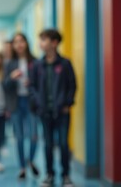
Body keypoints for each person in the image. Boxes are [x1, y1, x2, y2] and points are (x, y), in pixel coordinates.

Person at [30, 29, 76, 187]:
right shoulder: (38, 65)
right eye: (40, 40)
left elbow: (72, 86)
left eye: (44, 40)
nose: (40, 43)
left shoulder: (65, 64)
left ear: (54, 43)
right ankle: (49, 174)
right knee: (48, 145)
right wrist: (38, 103)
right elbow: (33, 87)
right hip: (45, 111)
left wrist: (67, 104)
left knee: (63, 144)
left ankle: (66, 176)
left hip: (62, 112)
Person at [4, 33, 39, 180]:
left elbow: (41, 84)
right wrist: (11, 77)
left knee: (33, 135)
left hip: (31, 102)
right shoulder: (10, 63)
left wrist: (30, 83)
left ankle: (30, 159)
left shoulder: (36, 62)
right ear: (13, 45)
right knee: (19, 137)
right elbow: (5, 86)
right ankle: (22, 167)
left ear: (26, 43)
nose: (19, 44)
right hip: (16, 103)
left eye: (21, 41)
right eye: (16, 42)